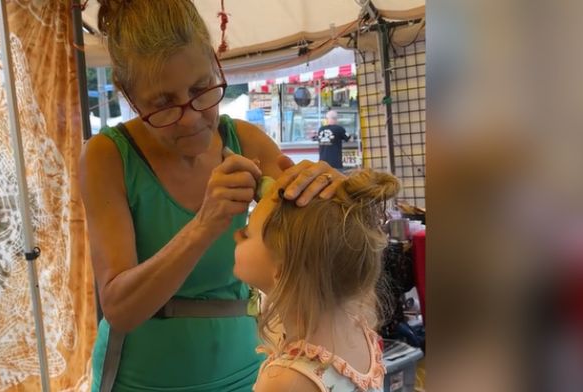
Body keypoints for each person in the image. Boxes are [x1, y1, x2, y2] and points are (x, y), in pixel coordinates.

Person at [78, 1, 344, 391]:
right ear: (130, 96)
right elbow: (119, 308)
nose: (191, 118)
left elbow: (321, 233)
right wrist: (204, 225)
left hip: (245, 369)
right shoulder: (108, 156)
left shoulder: (244, 139)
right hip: (143, 380)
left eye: (201, 89)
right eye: (163, 103)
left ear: (216, 64)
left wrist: (327, 188)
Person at [233, 168, 399, 392]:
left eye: (246, 232)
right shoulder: (358, 327)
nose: (236, 235)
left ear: (283, 270)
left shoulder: (286, 380)